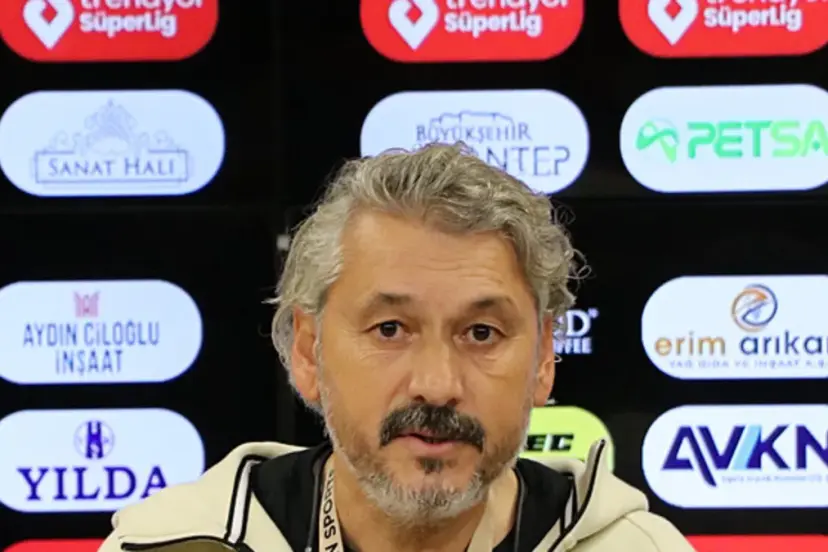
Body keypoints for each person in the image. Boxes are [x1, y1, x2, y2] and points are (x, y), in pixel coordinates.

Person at [98, 143, 695, 552]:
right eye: (390, 329)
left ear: (543, 361)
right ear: (307, 352)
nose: (437, 385)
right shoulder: (173, 544)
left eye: (481, 333)